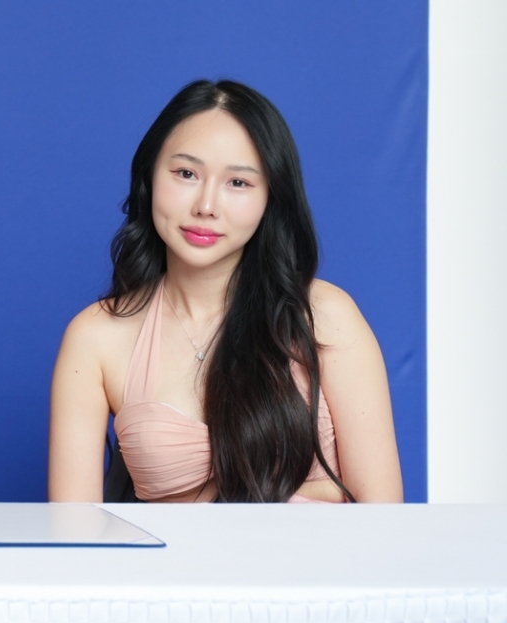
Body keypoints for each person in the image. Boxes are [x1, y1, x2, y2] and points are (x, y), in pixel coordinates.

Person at [47, 80, 401, 503]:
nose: (206, 206)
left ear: (271, 197)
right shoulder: (96, 337)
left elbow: (384, 517)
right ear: (149, 176)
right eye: (186, 174)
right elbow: (74, 530)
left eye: (238, 182)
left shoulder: (325, 316)